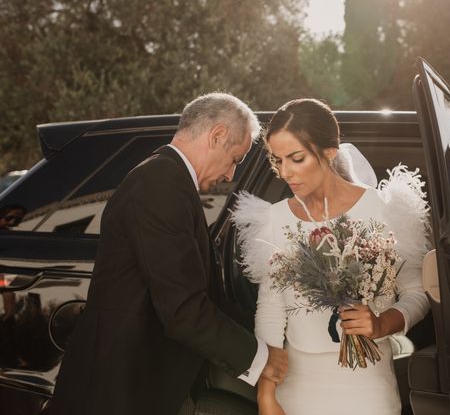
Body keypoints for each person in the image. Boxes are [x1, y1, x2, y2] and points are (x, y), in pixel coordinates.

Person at [49, 93, 288, 415]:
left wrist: (276, 334)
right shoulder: (160, 182)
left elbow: (205, 297)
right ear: (217, 136)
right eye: (235, 159)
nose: (231, 175)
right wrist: (260, 359)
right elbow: (184, 309)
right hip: (118, 392)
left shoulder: (169, 180)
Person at [231, 99, 431, 415]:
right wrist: (266, 394)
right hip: (296, 387)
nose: (285, 173)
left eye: (296, 159)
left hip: (369, 386)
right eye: (277, 160)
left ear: (329, 152)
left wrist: (380, 324)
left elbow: (417, 294)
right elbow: (270, 309)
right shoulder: (274, 219)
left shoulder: (385, 209)